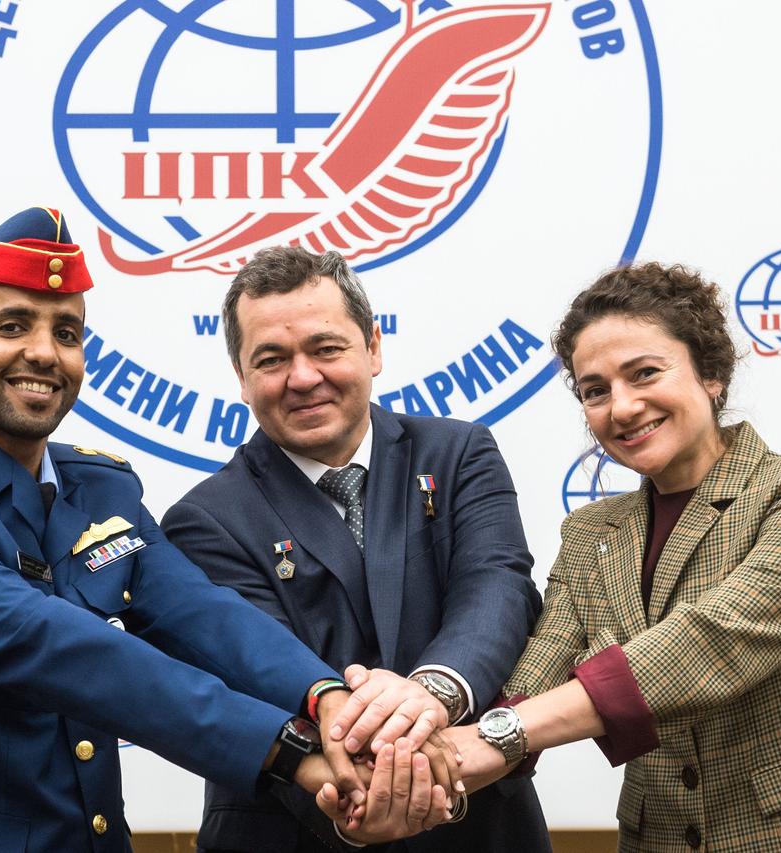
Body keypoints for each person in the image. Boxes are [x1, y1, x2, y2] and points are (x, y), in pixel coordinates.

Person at [0, 208, 450, 853]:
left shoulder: (101, 488)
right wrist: (291, 749)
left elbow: (202, 614)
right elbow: (60, 648)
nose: (44, 353)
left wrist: (327, 698)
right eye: (13, 326)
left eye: (67, 333)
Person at [430, 262, 781, 852]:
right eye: (595, 390)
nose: (623, 407)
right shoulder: (591, 534)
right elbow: (534, 677)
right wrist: (421, 763)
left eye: (645, 373)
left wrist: (500, 736)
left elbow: (711, 643)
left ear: (711, 374)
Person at [161, 246, 548, 852]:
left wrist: (431, 694)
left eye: (325, 349)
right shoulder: (203, 521)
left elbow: (496, 587)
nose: (303, 377)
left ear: (372, 347)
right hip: (305, 828)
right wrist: (357, 794)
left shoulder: (460, 453)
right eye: (271, 359)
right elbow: (257, 673)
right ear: (240, 377)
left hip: (483, 830)